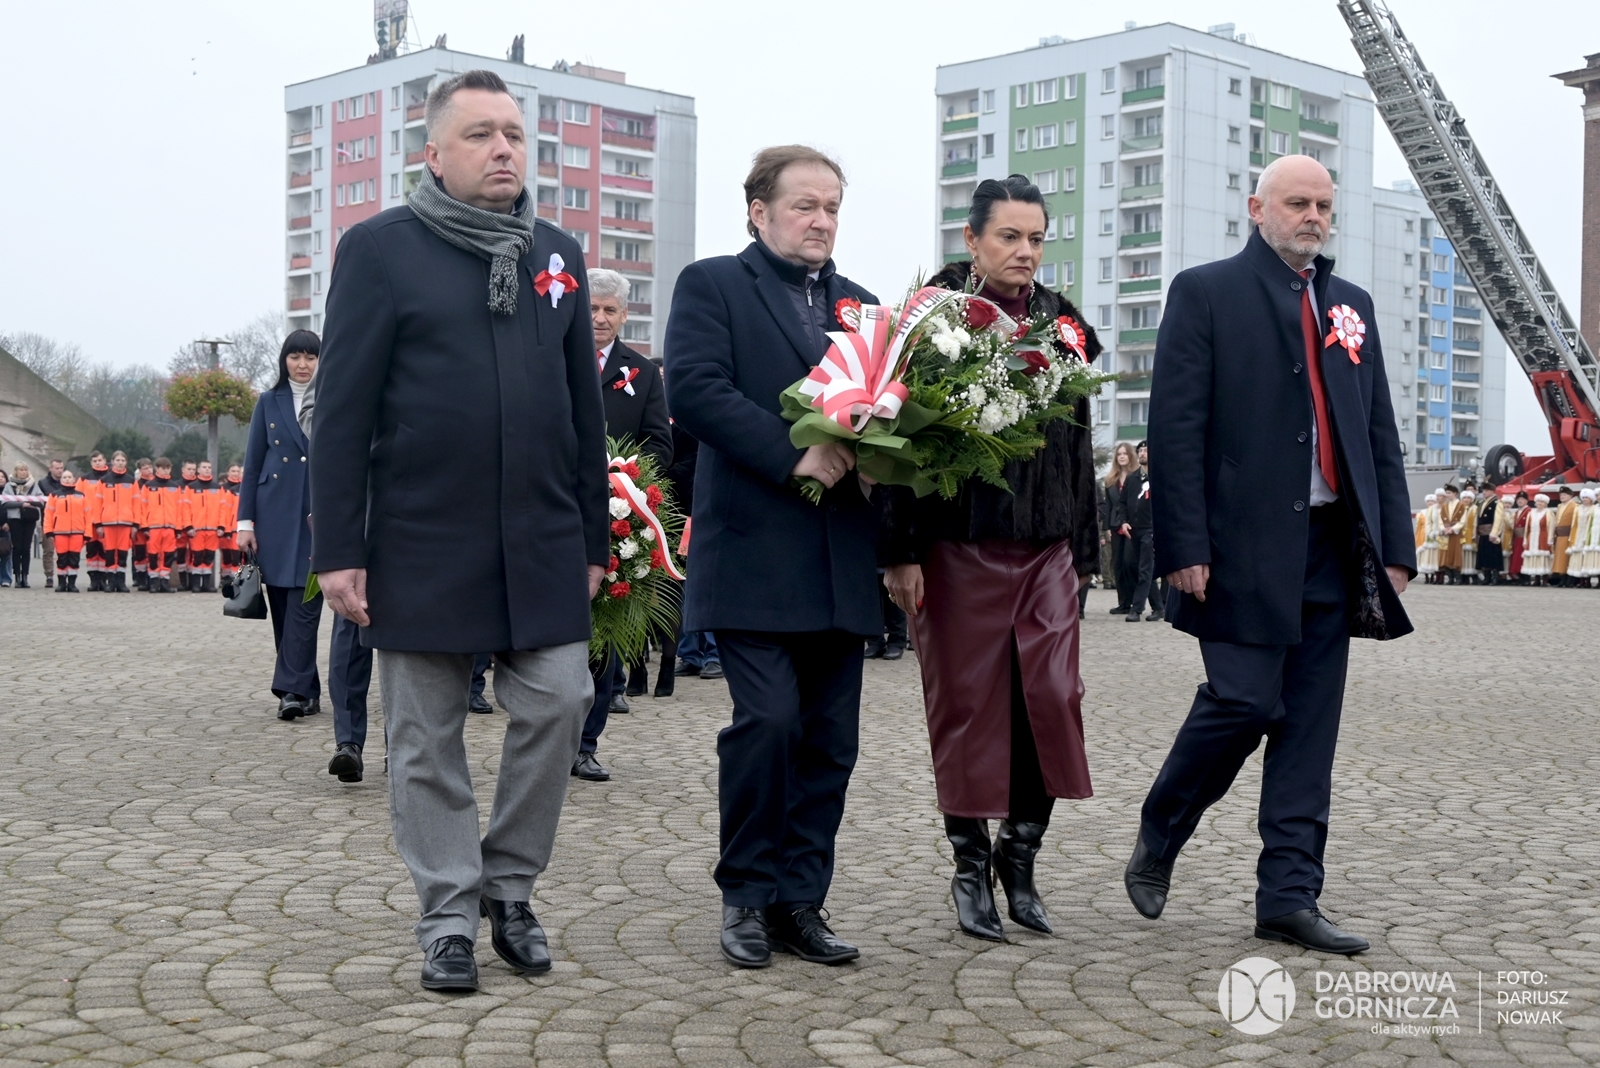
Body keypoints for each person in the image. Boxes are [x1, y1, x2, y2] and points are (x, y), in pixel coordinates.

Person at [311, 69, 608, 994]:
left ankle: (508, 889)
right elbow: (343, 412)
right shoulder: (379, 250)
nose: (504, 149)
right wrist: (339, 549)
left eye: (514, 133)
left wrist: (594, 540)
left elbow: (584, 411)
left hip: (541, 536)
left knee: (560, 701)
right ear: (434, 154)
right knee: (424, 737)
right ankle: (447, 915)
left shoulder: (555, 253)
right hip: (420, 538)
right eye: (481, 134)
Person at [1128, 155, 1414, 955]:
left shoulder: (1351, 305)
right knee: (1245, 702)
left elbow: (1378, 432)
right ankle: (1163, 827)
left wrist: (1395, 545)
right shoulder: (1205, 292)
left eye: (1323, 204)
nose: (1312, 216)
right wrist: (1183, 543)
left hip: (1329, 547)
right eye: (1297, 203)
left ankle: (1289, 896)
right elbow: (1174, 428)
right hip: (1237, 547)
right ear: (1258, 209)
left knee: (1309, 731)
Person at [665, 144, 881, 969]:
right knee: (768, 723)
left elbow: (889, 411)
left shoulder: (865, 310)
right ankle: (747, 895)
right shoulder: (714, 284)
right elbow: (695, 390)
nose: (821, 220)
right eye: (805, 205)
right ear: (759, 212)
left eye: (832, 208)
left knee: (829, 742)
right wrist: (794, 453)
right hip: (752, 552)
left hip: (838, 559)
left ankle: (801, 902)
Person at [880, 174, 1101, 941]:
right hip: (955, 547)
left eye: (1036, 238)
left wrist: (1083, 549)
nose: (1025, 251)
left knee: (1054, 699)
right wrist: (900, 550)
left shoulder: (1063, 323)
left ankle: (1021, 856)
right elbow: (894, 445)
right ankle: (970, 866)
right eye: (1009, 236)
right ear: (972, 240)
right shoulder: (931, 316)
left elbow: (1079, 444)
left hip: (1045, 549)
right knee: (968, 707)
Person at [574, 266, 674, 783]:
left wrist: (627, 476)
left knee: (603, 633)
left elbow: (660, 442)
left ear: (624, 315)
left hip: (617, 514)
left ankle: (585, 745)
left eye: (609, 310)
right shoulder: (554, 359)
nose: (599, 318)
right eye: (592, 308)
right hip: (555, 509)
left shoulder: (643, 373)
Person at [239, 330, 323, 721]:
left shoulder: (334, 397)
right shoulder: (267, 402)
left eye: (310, 357)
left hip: (318, 515)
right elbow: (252, 464)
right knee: (283, 609)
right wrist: (245, 522)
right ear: (284, 360)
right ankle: (306, 689)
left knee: (306, 602)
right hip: (274, 514)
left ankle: (289, 691)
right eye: (295, 357)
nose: (302, 365)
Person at [1116, 441, 1161, 622]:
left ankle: (1137, 609)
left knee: (1145, 569)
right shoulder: (1132, 478)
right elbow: (1122, 502)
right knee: (1142, 568)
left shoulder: (1159, 477)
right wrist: (1124, 522)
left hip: (1151, 529)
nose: (1142, 453)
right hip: (1134, 529)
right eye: (1140, 450)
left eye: (1146, 450)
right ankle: (1159, 607)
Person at [1102, 442, 1140, 615]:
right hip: (1114, 524)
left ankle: (1135, 600)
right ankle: (1123, 602)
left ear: (1131, 456)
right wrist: (1106, 528)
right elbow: (1108, 506)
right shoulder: (1110, 480)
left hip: (1132, 525)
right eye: (1119, 454)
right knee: (1117, 564)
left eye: (1125, 453)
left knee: (1129, 562)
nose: (1122, 456)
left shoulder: (1137, 477)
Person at [136, 458, 182, 591]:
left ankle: (164, 581)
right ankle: (154, 582)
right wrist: (144, 526)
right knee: (153, 555)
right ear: (157, 469)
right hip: (153, 527)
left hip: (170, 527)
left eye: (168, 468)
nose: (166, 471)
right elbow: (142, 508)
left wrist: (178, 527)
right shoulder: (148, 486)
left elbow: (179, 509)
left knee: (168, 555)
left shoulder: (175, 487)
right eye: (163, 468)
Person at [96, 453, 138, 592]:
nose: (120, 463)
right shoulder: (104, 481)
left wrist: (135, 524)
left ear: (126, 462)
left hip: (126, 523)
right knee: (109, 553)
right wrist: (98, 524)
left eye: (123, 460)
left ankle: (121, 582)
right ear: (112, 461)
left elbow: (136, 504)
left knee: (122, 553)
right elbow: (97, 503)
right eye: (118, 460)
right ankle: (111, 582)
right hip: (108, 522)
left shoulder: (131, 481)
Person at [43, 469, 88, 591]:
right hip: (60, 532)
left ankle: (72, 584)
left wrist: (88, 532)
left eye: (69, 477)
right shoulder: (54, 495)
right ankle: (62, 583)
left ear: (74, 479)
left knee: (74, 558)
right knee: (62, 558)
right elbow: (48, 514)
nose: (67, 479)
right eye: (65, 477)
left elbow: (88, 515)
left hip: (77, 532)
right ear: (61, 480)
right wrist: (48, 531)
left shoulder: (81, 495)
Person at [3, 464, 42, 589]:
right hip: (15, 519)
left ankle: (25, 576)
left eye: (25, 470)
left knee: (26, 548)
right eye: (21, 470)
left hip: (29, 519)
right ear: (16, 471)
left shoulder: (33, 484)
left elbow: (41, 501)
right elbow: (5, 502)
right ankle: (17, 577)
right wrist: (20, 504)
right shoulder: (9, 485)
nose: (24, 472)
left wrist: (29, 502)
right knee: (17, 548)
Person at [80, 452, 109, 589]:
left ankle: (103, 580)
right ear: (91, 463)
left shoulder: (110, 478)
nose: (98, 463)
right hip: (90, 522)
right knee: (91, 552)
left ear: (105, 461)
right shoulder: (84, 479)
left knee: (104, 551)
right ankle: (93, 580)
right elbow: (78, 498)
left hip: (105, 521)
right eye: (95, 461)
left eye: (100, 460)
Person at [37, 459, 67, 586]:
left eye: (61, 468)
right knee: (48, 551)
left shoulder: (67, 482)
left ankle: (64, 574)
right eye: (57, 468)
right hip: (48, 522)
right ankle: (49, 575)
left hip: (64, 522)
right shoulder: (42, 483)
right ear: (50, 468)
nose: (60, 471)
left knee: (64, 551)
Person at [217, 463, 243, 594]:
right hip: (229, 528)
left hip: (239, 528)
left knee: (239, 557)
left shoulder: (243, 488)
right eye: (233, 471)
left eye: (237, 471)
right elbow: (224, 510)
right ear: (228, 472)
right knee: (227, 556)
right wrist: (224, 527)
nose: (236, 473)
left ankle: (236, 580)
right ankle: (226, 580)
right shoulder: (225, 489)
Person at [131, 457, 155, 590]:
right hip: (140, 525)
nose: (149, 470)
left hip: (153, 524)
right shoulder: (135, 485)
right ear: (140, 470)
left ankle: (151, 579)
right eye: (145, 468)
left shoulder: (156, 484)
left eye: (150, 467)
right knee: (139, 554)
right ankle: (140, 580)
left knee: (152, 553)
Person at [1436, 485, 1466, 584]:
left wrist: (1453, 529)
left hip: (1455, 534)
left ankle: (1458, 577)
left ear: (1455, 493)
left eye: (1449, 493)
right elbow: (1440, 520)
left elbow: (1463, 520)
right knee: (1446, 555)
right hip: (1446, 533)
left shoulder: (1461, 505)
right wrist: (1444, 529)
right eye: (1446, 493)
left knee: (1455, 554)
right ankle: (1450, 577)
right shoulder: (1445, 506)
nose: (1447, 495)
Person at [1522, 493, 1555, 584]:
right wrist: (1525, 539)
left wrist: (1550, 539)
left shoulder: (1548, 513)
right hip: (1532, 537)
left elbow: (1551, 527)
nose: (1540, 503)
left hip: (1543, 537)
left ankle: (1544, 579)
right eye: (1538, 501)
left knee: (1542, 557)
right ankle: (1536, 578)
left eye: (1542, 502)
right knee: (1533, 558)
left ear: (1546, 504)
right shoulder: (1531, 513)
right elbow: (1527, 528)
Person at [1551, 487, 1579, 588]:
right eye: (1561, 495)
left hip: (1568, 534)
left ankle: (1569, 579)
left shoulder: (1574, 506)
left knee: (1567, 558)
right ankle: (1562, 577)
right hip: (1560, 535)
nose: (1562, 497)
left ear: (1570, 496)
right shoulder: (1560, 506)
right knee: (1560, 558)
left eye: (1565, 495)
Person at [1475, 490, 1503, 584]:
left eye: (1486, 490)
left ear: (1492, 491)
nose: (1484, 492)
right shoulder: (1482, 502)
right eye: (1483, 490)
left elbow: (1498, 519)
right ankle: (1487, 577)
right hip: (1483, 532)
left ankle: (1495, 577)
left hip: (1491, 531)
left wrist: (1494, 533)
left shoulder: (1497, 503)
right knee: (1484, 556)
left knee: (1493, 556)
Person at [1574, 488, 1600, 585]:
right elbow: (1589, 523)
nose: (1598, 497)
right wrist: (1586, 536)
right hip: (1593, 535)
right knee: (1595, 560)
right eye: (1597, 495)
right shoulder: (1594, 508)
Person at [1414, 493, 1439, 581]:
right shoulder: (1421, 513)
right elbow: (1418, 527)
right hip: (1423, 536)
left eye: (1432, 501)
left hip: (1434, 536)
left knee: (1433, 556)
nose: (1430, 503)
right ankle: (1426, 576)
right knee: (1424, 556)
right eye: (1428, 501)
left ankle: (1433, 575)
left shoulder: (1437, 511)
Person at [1458, 488, 1479, 582]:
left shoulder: (1475, 509)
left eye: (1468, 498)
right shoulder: (1459, 508)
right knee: (1461, 554)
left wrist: (1474, 535)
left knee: (1471, 554)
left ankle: (1472, 574)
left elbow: (1476, 523)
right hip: (1460, 534)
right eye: (1464, 498)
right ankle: (1462, 575)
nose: (1466, 500)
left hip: (1471, 533)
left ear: (1472, 499)